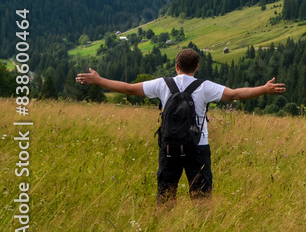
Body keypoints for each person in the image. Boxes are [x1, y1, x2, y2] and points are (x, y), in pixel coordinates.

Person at [75, 48, 285, 204]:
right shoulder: (205, 87)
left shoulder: (162, 84)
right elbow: (235, 94)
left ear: (176, 66)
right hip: (198, 147)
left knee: (166, 196)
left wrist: (99, 80)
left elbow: (129, 89)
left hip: (168, 147)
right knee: (202, 198)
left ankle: (164, 230)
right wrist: (264, 89)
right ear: (197, 67)